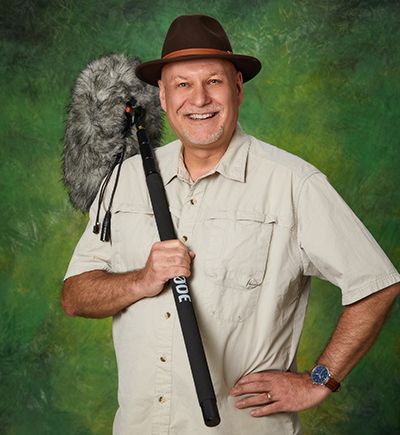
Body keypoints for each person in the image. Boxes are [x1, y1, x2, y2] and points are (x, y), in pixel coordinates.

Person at [61, 14, 400, 435]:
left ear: (237, 88)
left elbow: (377, 283)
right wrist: (142, 280)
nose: (198, 99)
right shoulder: (126, 180)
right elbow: (75, 295)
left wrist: (320, 380)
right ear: (163, 98)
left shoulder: (292, 184)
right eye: (182, 84)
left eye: (214, 82)